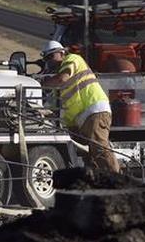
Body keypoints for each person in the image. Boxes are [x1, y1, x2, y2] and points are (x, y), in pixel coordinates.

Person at [40, 40, 120, 173]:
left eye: (51, 56)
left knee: (99, 149)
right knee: (88, 156)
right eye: (46, 59)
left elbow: (62, 78)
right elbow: (57, 109)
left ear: (62, 53)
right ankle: (98, 181)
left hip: (94, 111)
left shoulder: (72, 59)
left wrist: (42, 83)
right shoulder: (57, 86)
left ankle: (117, 180)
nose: (49, 61)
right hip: (82, 120)